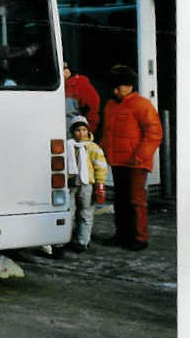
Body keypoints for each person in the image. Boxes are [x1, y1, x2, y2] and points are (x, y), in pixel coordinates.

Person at [99, 65, 163, 251]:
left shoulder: (142, 105)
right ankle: (122, 235)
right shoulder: (111, 105)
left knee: (136, 201)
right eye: (113, 87)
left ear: (129, 86)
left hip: (136, 163)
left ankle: (140, 238)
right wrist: (102, 151)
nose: (115, 91)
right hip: (118, 161)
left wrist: (141, 155)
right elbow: (107, 133)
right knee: (121, 200)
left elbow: (154, 133)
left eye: (119, 87)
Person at [64, 115, 108, 252]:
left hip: (86, 185)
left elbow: (100, 167)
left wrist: (100, 185)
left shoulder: (93, 148)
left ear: (88, 131)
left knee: (85, 212)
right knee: (69, 212)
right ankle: (65, 238)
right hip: (70, 185)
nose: (81, 133)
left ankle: (83, 241)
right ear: (72, 132)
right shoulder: (68, 146)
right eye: (77, 130)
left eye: (84, 130)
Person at [63, 61, 100, 134]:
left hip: (74, 137)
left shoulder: (80, 84)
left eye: (64, 68)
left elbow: (93, 111)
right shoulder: (52, 87)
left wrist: (87, 134)